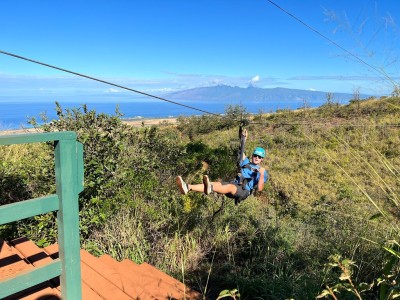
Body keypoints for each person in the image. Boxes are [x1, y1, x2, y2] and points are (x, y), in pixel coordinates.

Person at [176, 129, 268, 203]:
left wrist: (262, 174)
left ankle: (210, 188)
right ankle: (187, 187)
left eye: (259, 157)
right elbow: (241, 152)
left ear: (262, 159)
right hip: (234, 184)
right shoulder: (246, 162)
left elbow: (259, 188)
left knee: (228, 187)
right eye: (255, 155)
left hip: (243, 190)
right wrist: (242, 138)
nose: (256, 158)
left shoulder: (262, 171)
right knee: (214, 184)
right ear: (252, 155)